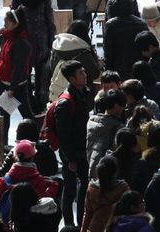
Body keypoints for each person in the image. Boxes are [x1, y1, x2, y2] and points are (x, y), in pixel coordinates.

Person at [55, 60, 93, 227]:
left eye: (84, 72)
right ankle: (70, 225)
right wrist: (70, 159)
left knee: (83, 187)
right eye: (81, 73)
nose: (85, 75)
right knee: (70, 190)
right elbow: (63, 135)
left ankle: (80, 224)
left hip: (83, 149)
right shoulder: (65, 102)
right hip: (71, 153)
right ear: (71, 79)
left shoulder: (85, 92)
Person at [0, 8, 35, 142]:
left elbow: (18, 68)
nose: (4, 26)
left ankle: (34, 139)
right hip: (5, 84)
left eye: (7, 23)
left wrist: (12, 88)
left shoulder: (20, 44)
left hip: (16, 87)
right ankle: (4, 143)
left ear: (15, 24)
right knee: (4, 115)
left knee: (26, 114)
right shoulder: (9, 37)